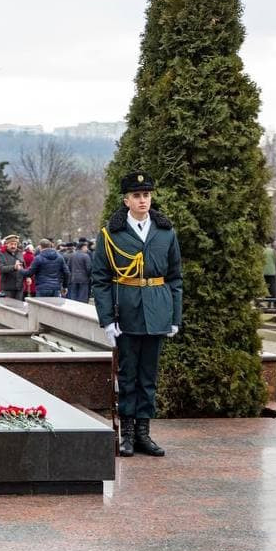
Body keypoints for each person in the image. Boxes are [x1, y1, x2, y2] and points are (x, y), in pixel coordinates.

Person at [91, 170, 183, 458]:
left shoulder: (165, 232)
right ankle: (127, 434)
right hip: (127, 312)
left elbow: (175, 278)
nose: (143, 200)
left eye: (146, 195)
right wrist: (107, 319)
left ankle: (144, 433)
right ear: (126, 200)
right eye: (137, 195)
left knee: (148, 376)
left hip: (157, 310)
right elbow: (101, 280)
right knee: (128, 375)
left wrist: (174, 317)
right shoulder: (111, 234)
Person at [0, 235, 25, 301]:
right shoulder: (0, 253)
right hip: (7, 288)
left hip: (19, 287)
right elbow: (1, 268)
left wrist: (28, 277)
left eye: (15, 244)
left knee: (19, 306)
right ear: (6, 244)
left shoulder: (19, 252)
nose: (13, 246)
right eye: (11, 244)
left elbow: (24, 266)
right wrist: (14, 267)